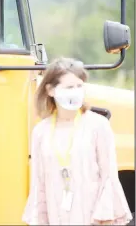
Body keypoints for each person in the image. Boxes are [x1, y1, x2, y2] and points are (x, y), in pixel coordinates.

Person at [22, 58, 132, 225]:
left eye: (79, 86)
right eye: (69, 87)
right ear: (51, 90)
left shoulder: (98, 125)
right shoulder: (41, 132)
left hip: (91, 217)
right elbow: (39, 184)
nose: (75, 92)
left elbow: (108, 177)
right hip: (56, 215)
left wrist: (103, 218)